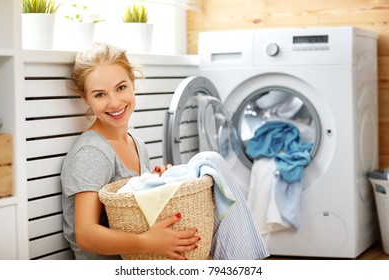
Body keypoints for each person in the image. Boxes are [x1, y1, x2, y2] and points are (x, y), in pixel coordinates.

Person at [61, 43, 269, 260]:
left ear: (133, 83)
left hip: (145, 259)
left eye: (121, 87)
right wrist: (148, 241)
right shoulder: (92, 152)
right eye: (100, 94)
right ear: (85, 98)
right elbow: (85, 235)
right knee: (210, 160)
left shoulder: (136, 144)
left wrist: (160, 183)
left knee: (210, 165)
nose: (114, 102)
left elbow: (135, 209)